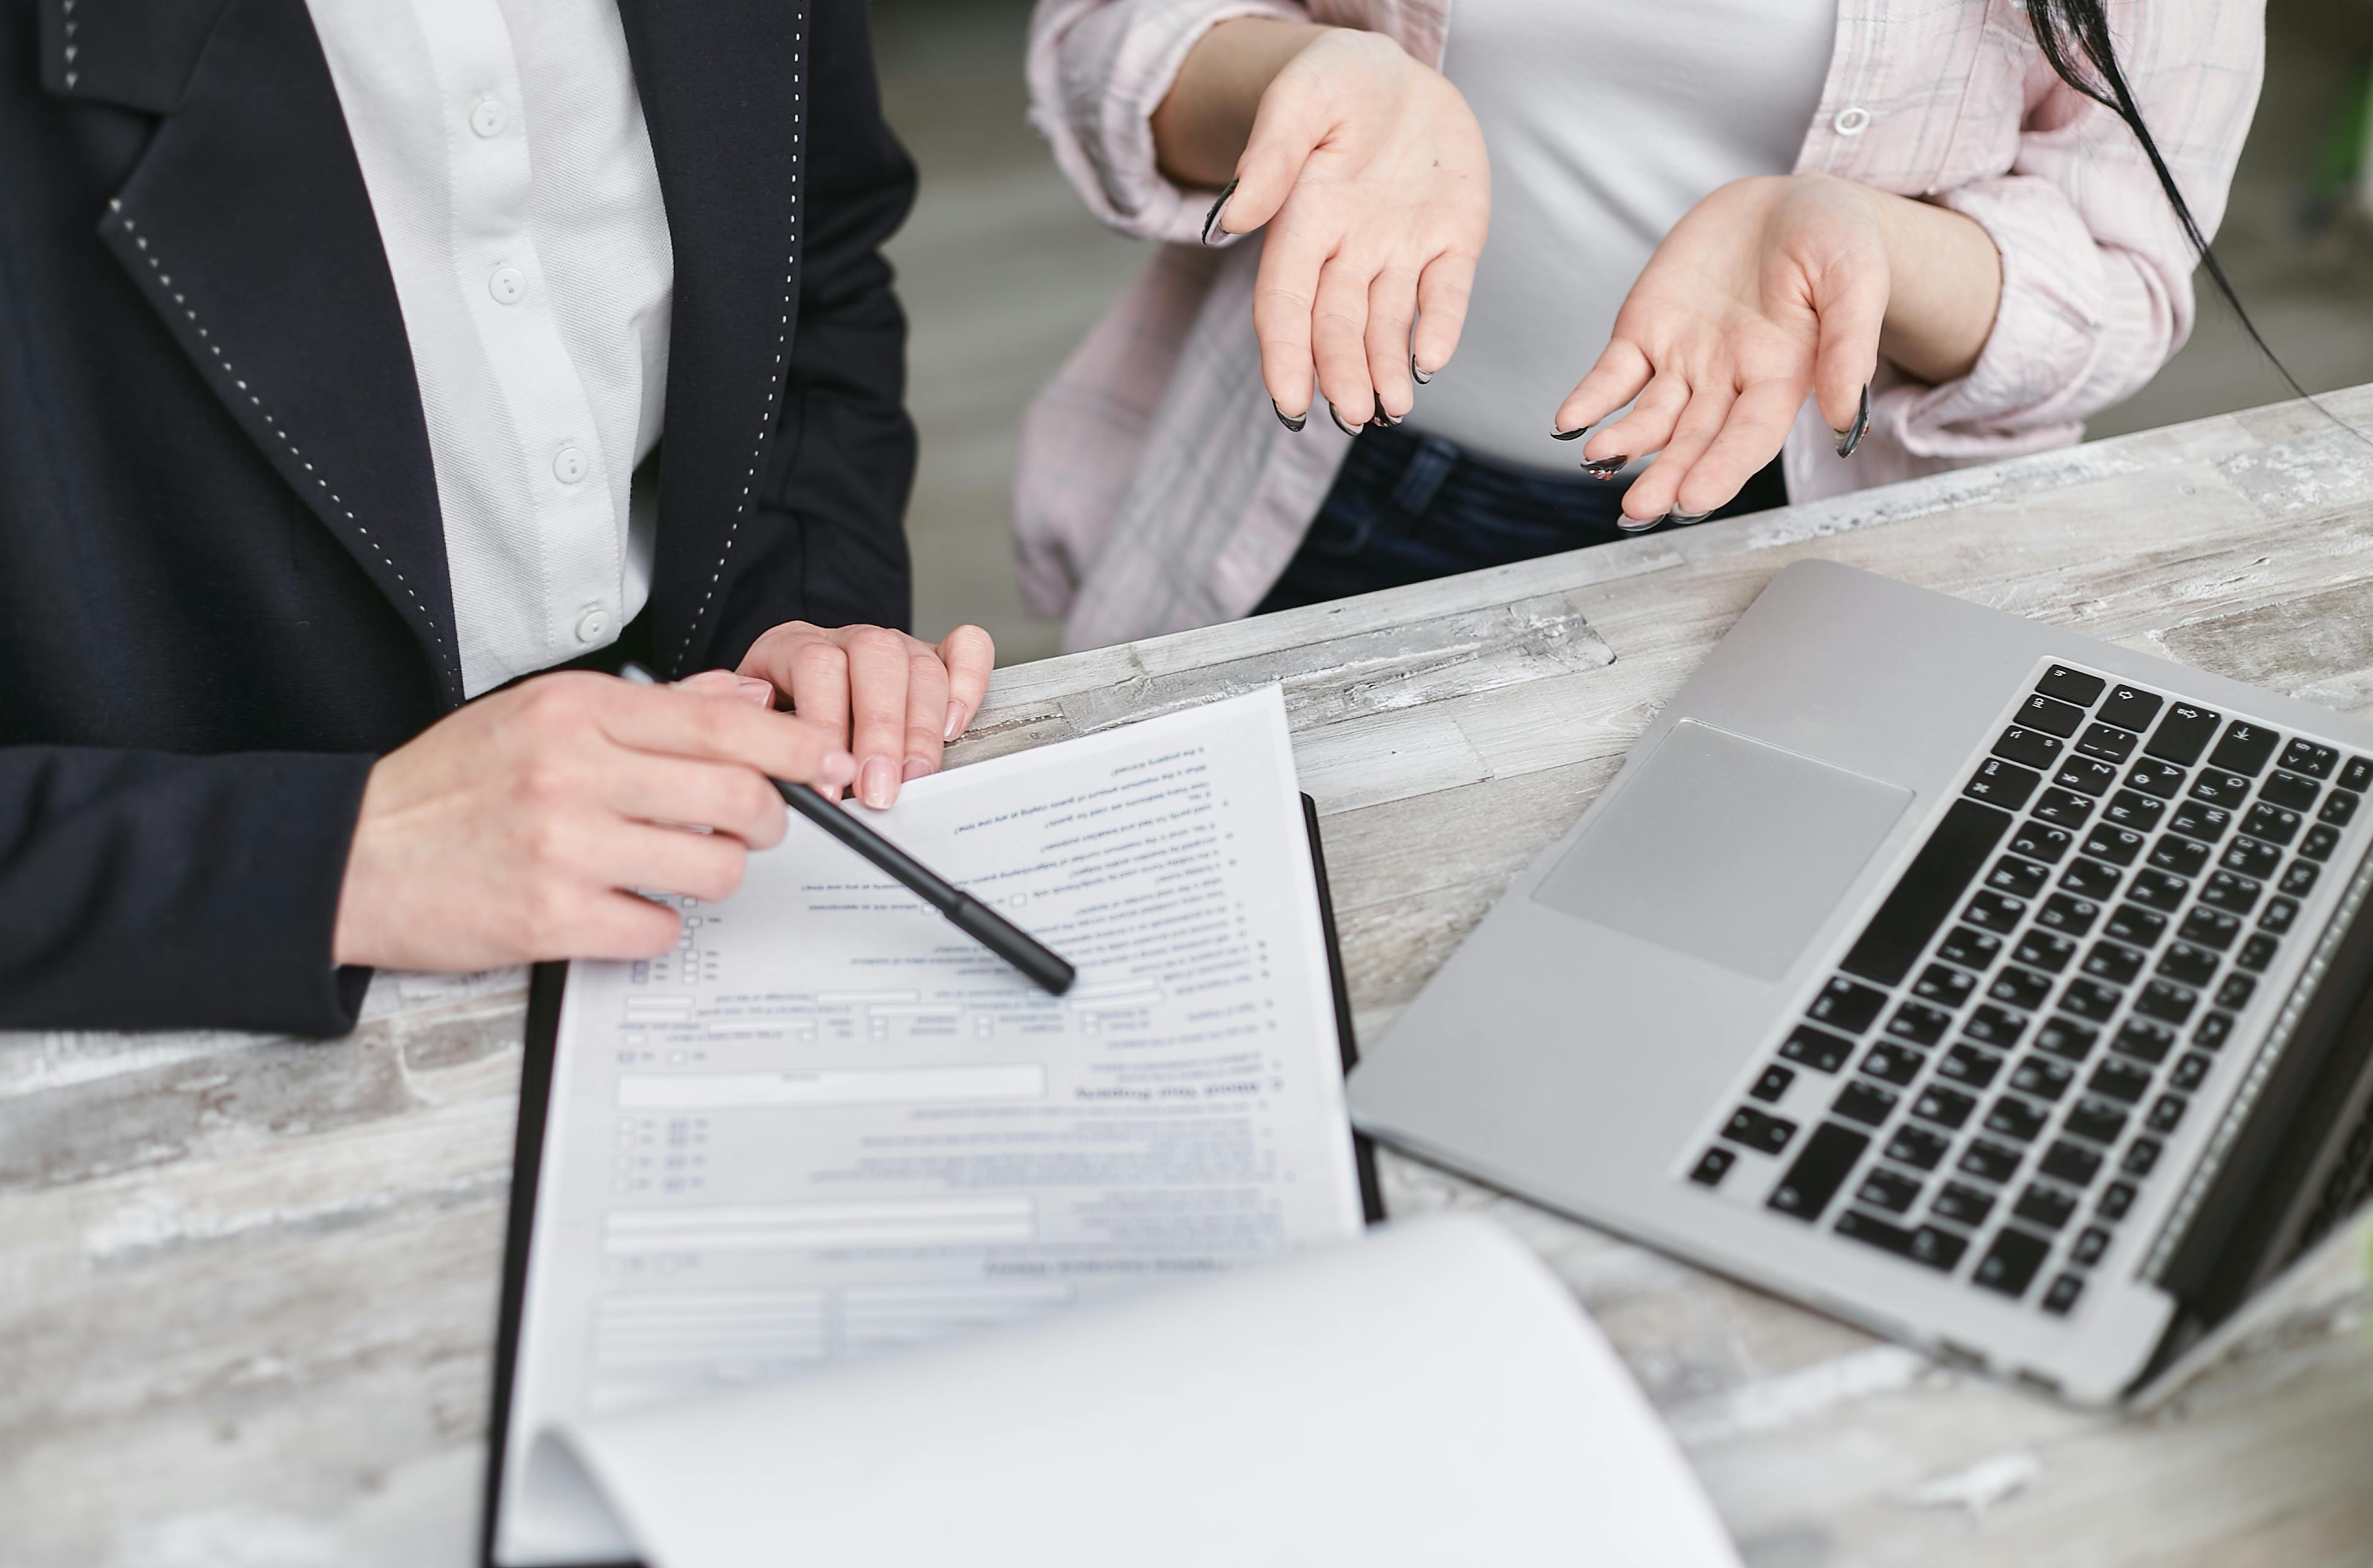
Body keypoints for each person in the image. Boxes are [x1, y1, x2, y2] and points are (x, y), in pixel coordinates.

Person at [0, 0, 991, 1034]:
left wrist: (797, 607)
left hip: (717, 872)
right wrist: (326, 855)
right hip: (212, 1005)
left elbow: (815, 250)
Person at [1016, 0, 2264, 650]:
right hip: (1332, 481)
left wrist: (1863, 247)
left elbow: (2121, 280)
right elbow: (1105, 45)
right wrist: (1295, 80)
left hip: (1811, 546)